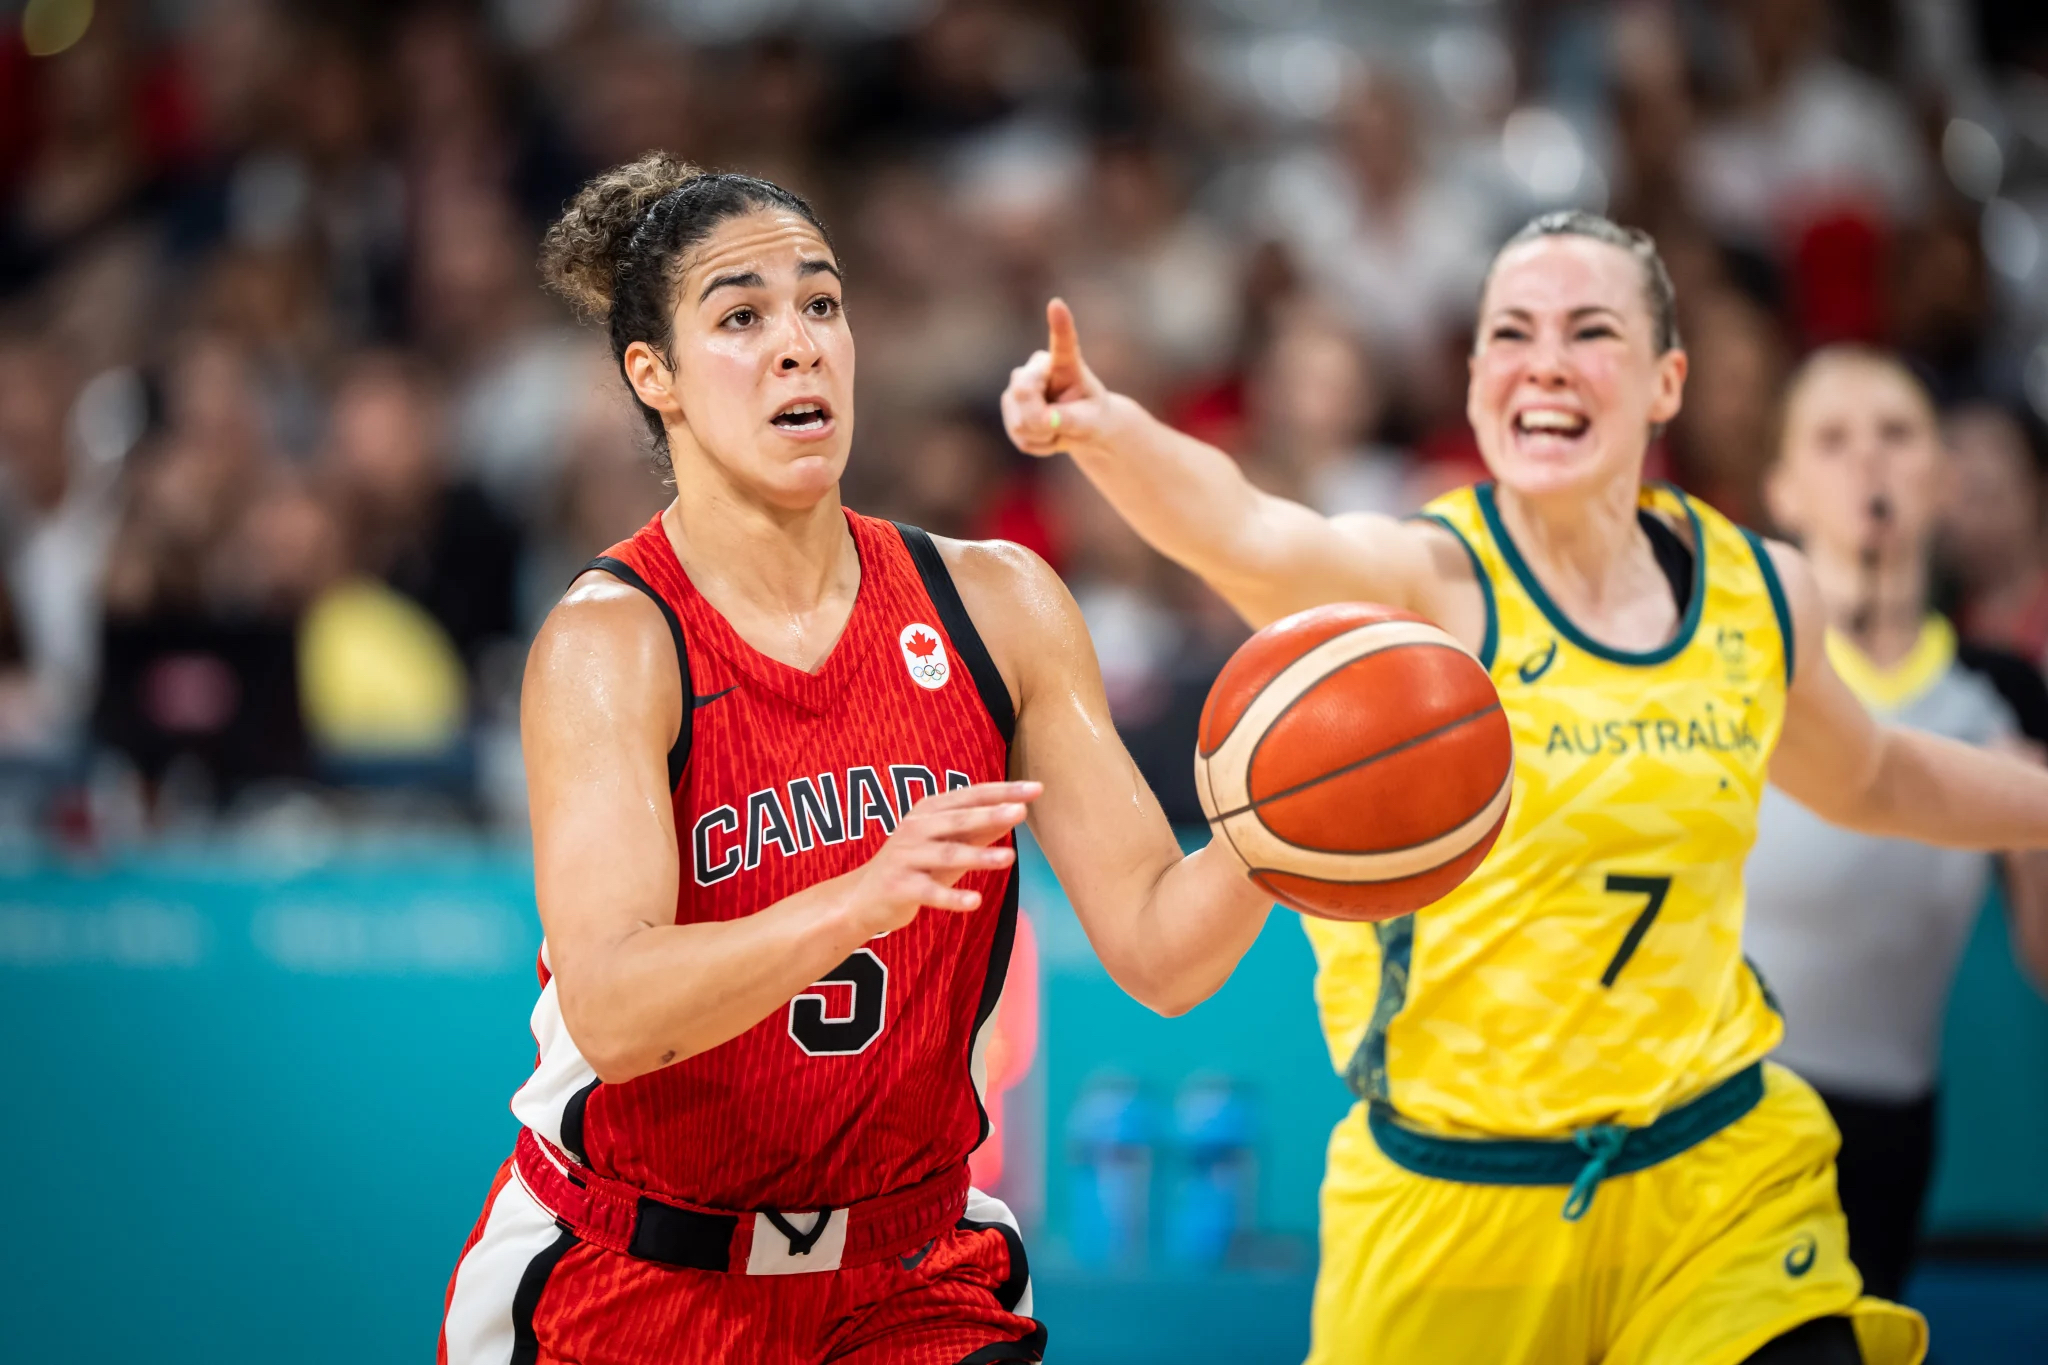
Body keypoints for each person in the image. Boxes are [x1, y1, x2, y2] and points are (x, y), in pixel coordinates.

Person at [1000, 210, 2048, 1365]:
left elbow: (1876, 774)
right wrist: (1105, 431)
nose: (1543, 360)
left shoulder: (1758, 590)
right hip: (1452, 1206)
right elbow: (1247, 532)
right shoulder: (1425, 584)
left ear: (1664, 381)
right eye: (1510, 332)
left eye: (1587, 330)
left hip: (1713, 1181)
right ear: (1472, 380)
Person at [437, 157, 1272, 1365]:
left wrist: (1271, 829)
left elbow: (1155, 946)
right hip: (637, 1275)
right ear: (651, 376)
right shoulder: (613, 641)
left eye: (820, 304)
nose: (798, 346)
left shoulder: (996, 603)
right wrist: (856, 902)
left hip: (908, 1272)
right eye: (741, 317)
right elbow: (614, 1010)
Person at [1747, 348, 2048, 1301]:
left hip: (1890, 1131)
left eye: (1897, 434)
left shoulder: (2001, 697)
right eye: (1833, 440)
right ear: (1784, 490)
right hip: (1722, 1115)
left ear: (1945, 478)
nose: (1868, 461)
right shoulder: (1730, 663)